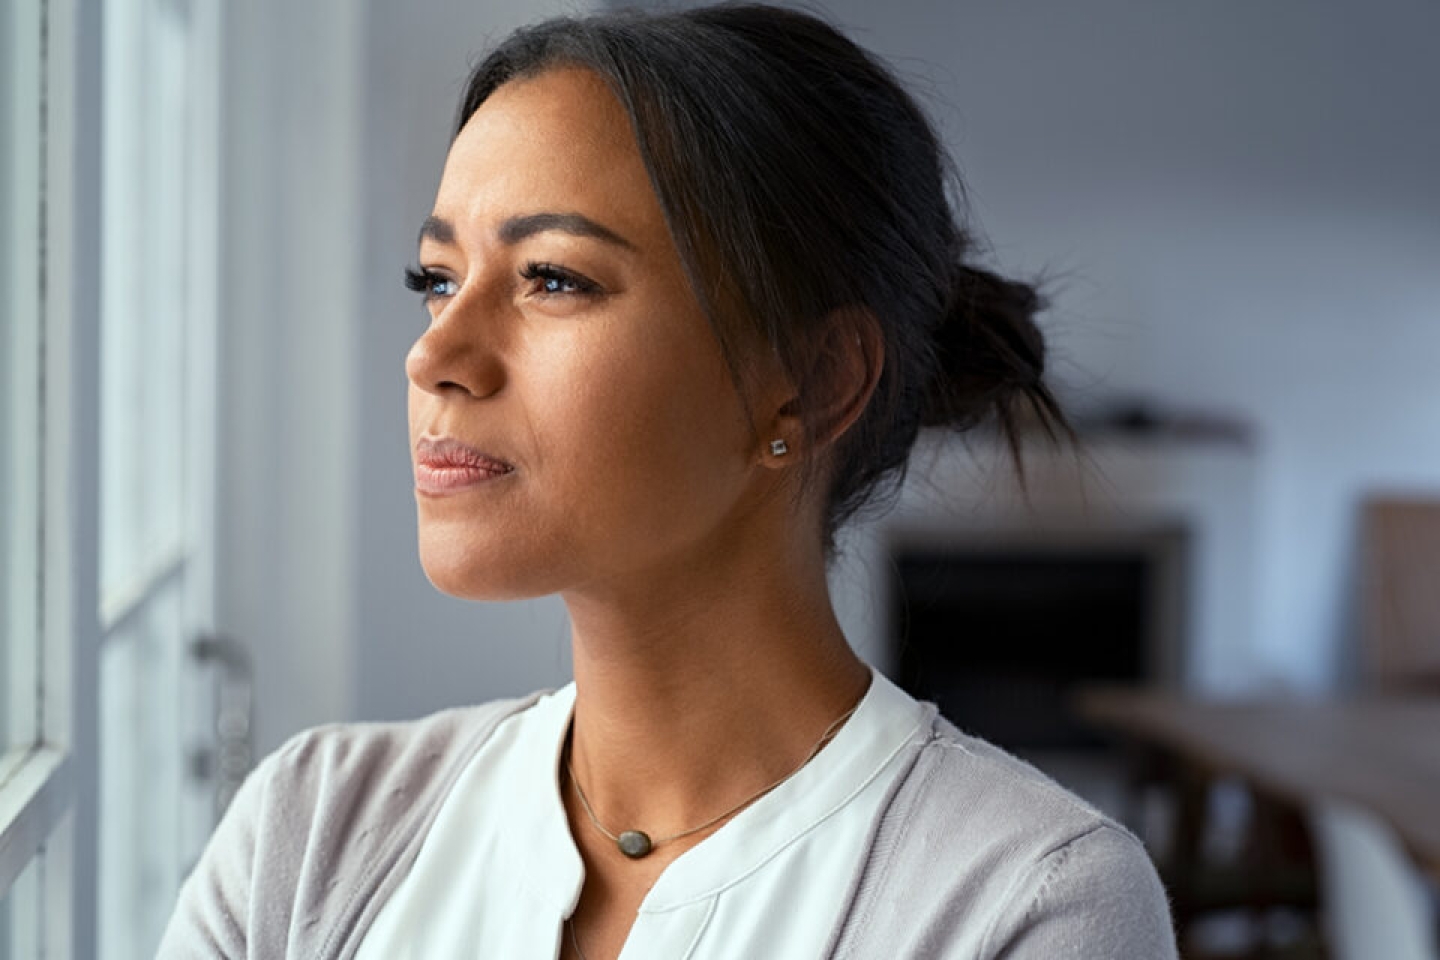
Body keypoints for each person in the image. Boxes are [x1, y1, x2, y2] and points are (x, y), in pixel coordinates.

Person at [159, 4, 1176, 957]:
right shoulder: (310, 832)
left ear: (810, 386)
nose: (435, 356)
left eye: (552, 278)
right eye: (438, 280)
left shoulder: (1025, 905)